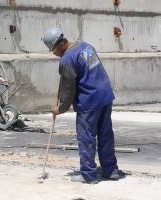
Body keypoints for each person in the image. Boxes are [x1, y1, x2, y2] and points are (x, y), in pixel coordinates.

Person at [42, 27, 119, 184]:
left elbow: (68, 90)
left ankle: (88, 174)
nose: (55, 54)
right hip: (105, 95)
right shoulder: (86, 46)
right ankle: (111, 170)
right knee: (105, 134)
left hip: (89, 101)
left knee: (86, 138)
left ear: (60, 44)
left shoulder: (67, 59)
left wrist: (60, 108)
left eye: (53, 50)